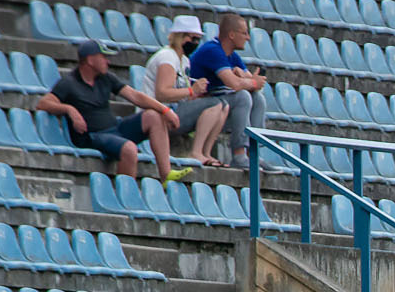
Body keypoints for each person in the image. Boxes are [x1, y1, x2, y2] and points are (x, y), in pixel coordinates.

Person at [36, 41, 184, 179]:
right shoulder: (69, 83)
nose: (108, 61)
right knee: (129, 149)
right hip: (92, 136)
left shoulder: (106, 78)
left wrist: (165, 110)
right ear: (90, 60)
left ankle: (166, 175)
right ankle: (126, 197)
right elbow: (43, 103)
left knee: (153, 115)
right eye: (104, 57)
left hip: (114, 129)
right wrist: (69, 109)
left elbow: (135, 96)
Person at [143, 15, 229, 168]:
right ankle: (196, 152)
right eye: (193, 38)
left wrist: (196, 94)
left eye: (198, 39)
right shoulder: (167, 57)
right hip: (159, 114)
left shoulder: (184, 60)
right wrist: (191, 90)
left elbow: (182, 93)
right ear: (180, 36)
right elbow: (162, 93)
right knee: (215, 104)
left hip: (175, 110)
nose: (195, 43)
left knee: (223, 105)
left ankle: (205, 152)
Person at [187, 13, 269, 168]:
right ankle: (238, 155)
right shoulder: (212, 50)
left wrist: (247, 78)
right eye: (244, 33)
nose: (248, 38)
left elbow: (252, 83)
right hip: (197, 107)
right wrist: (249, 81)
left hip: (217, 108)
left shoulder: (232, 56)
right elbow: (235, 84)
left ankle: (253, 154)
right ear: (231, 35)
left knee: (257, 98)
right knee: (242, 97)